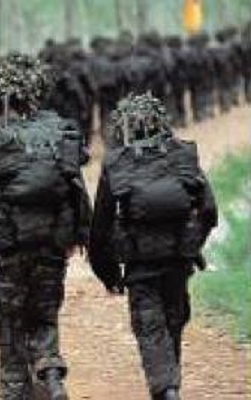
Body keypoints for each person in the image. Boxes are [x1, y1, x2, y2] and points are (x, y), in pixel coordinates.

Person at [0, 57, 91, 400]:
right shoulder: (56, 136)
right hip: (51, 246)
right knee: (45, 316)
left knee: (11, 328)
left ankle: (16, 391)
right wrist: (78, 237)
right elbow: (77, 190)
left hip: (8, 254)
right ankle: (50, 370)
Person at [89, 93, 218, 400]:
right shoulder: (181, 154)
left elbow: (100, 227)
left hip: (140, 264)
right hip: (178, 260)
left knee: (149, 328)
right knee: (173, 320)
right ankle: (169, 385)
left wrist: (108, 274)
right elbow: (209, 210)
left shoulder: (118, 162)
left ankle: (166, 389)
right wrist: (192, 245)